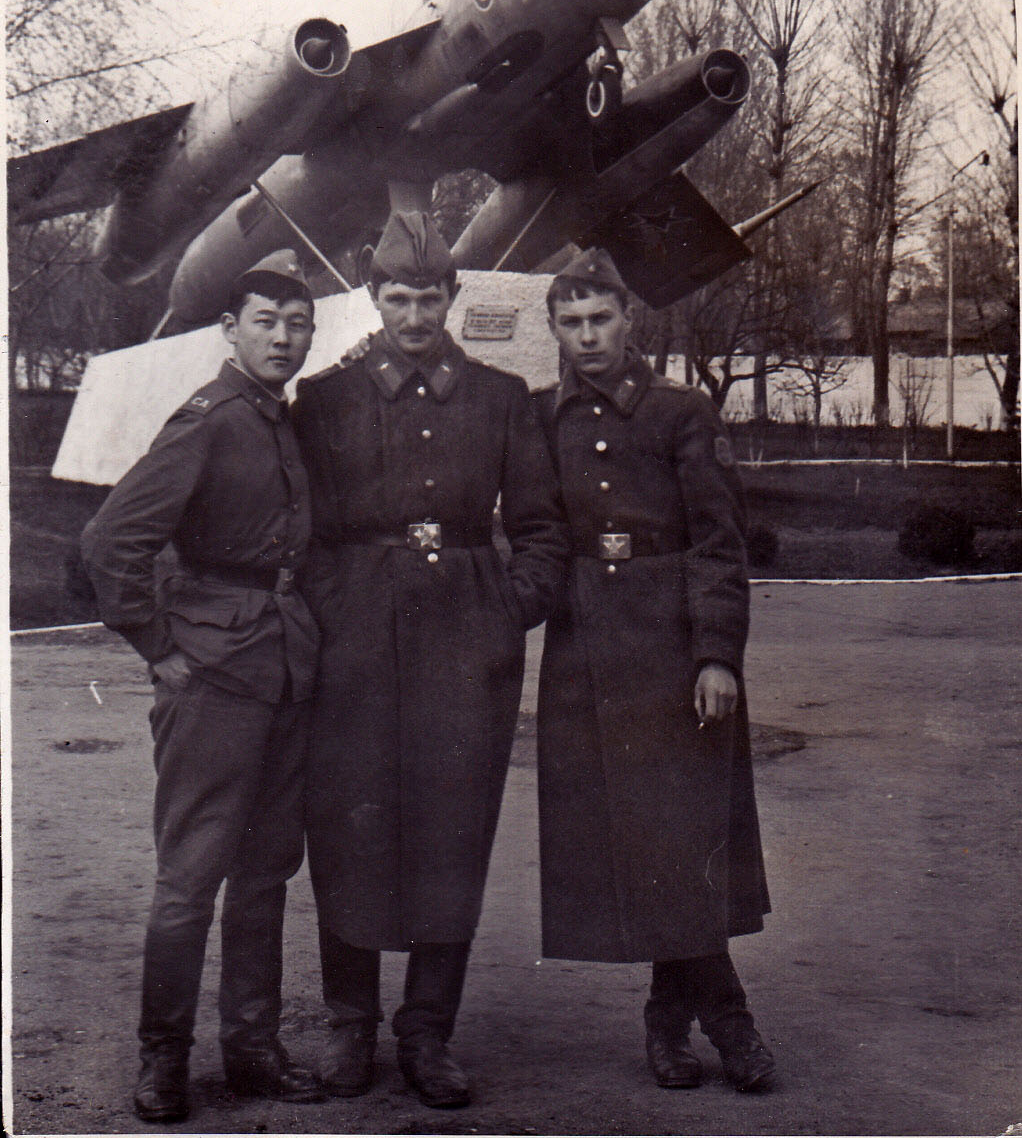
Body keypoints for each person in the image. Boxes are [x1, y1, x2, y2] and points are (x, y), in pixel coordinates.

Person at [291, 211, 568, 1109]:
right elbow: (306, 533)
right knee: (350, 827)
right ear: (373, 299)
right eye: (398, 297)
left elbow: (539, 529)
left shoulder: (499, 397)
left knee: (454, 829)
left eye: (430, 297)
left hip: (465, 639)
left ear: (454, 298)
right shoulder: (325, 400)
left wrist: (504, 613)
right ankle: (349, 1028)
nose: (415, 314)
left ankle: (428, 1032)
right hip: (355, 641)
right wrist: (330, 612)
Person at [81, 250, 324, 1122]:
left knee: (264, 875)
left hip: (284, 668)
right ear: (229, 329)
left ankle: (253, 1049)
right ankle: (165, 1058)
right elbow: (113, 541)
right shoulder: (212, 418)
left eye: (299, 325)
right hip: (215, 674)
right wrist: (157, 643)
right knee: (190, 879)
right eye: (267, 321)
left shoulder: (277, 418)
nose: (285, 339)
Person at [534, 247, 775, 1094]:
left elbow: (718, 541)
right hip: (587, 655)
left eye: (601, 318)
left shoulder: (680, 412)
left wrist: (717, 654)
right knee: (641, 841)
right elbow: (530, 534)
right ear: (554, 329)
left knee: (681, 837)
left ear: (629, 319)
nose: (588, 336)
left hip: (675, 652)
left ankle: (702, 1018)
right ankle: (690, 1018)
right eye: (571, 322)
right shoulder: (542, 418)